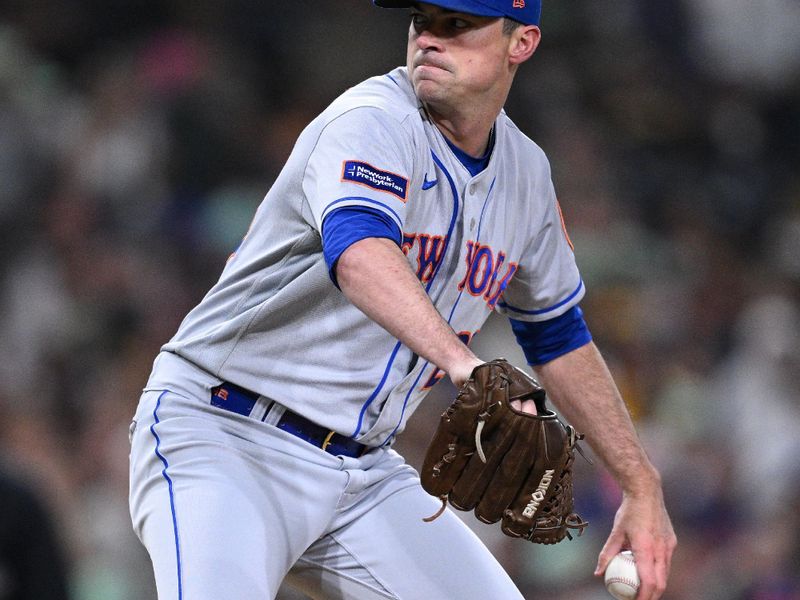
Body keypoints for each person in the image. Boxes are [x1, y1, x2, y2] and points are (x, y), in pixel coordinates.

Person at [128, 1, 676, 598]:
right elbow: (359, 253)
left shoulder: (526, 175)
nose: (430, 40)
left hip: (361, 472)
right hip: (223, 431)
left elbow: (559, 335)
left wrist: (640, 483)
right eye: (423, 20)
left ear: (521, 43)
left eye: (458, 25)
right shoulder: (371, 120)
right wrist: (465, 366)